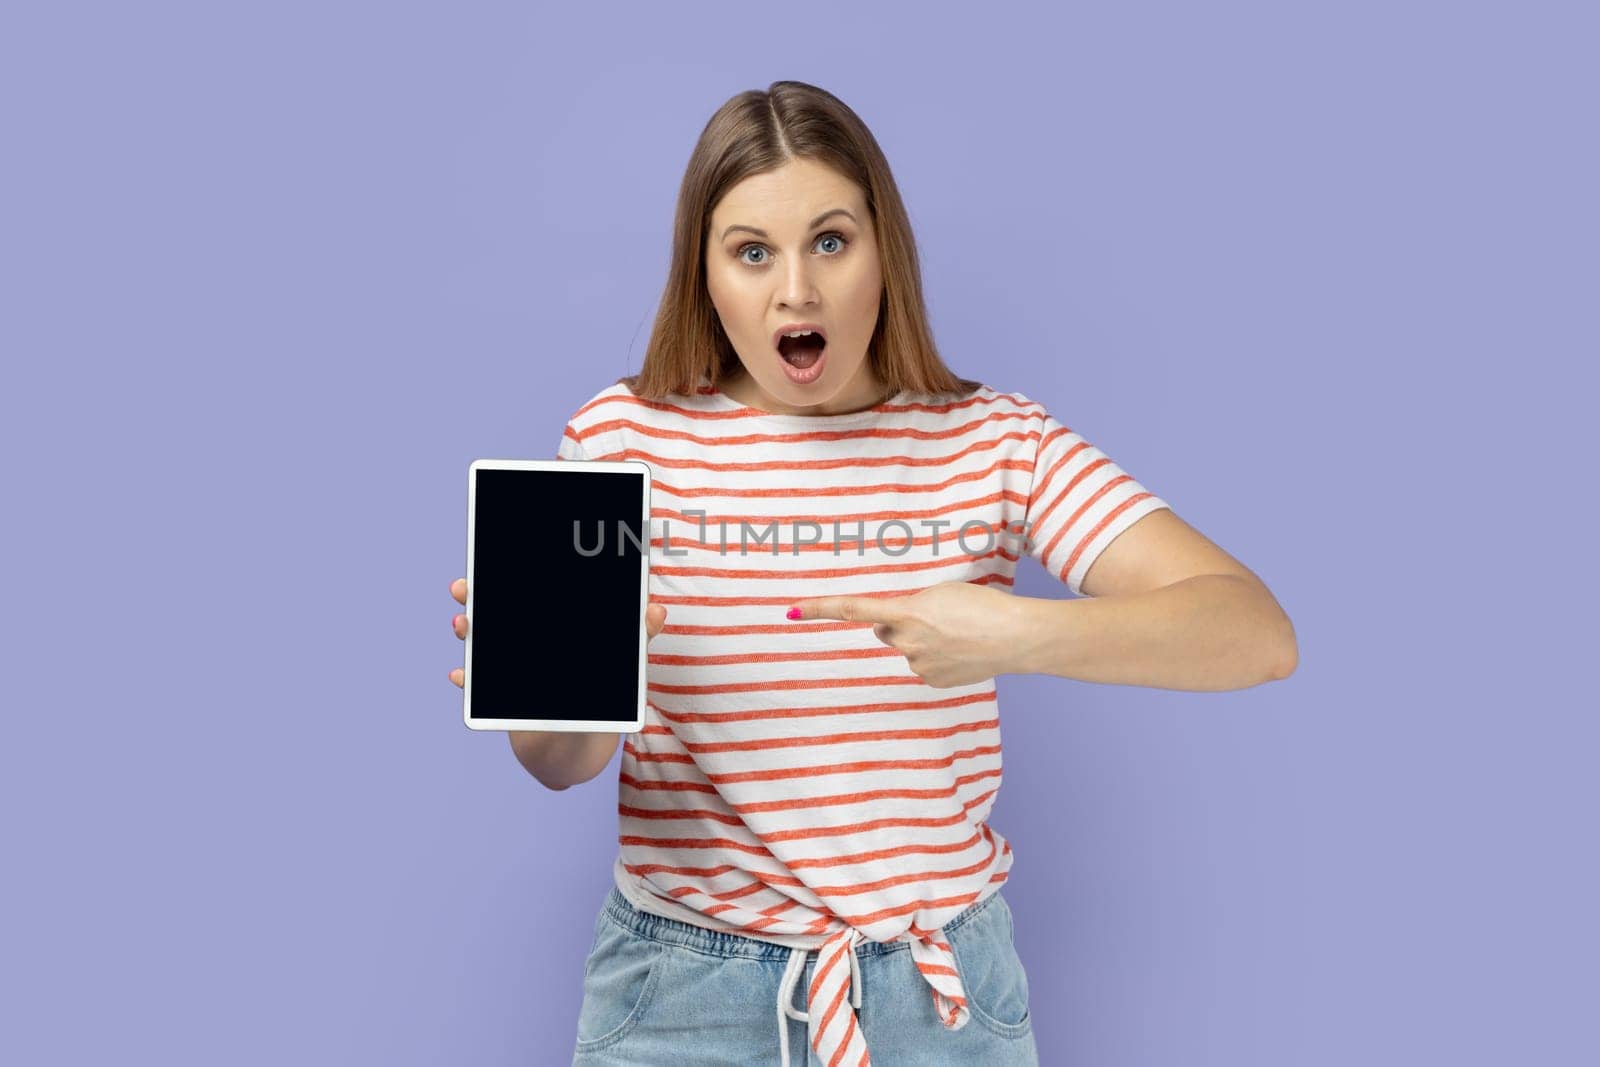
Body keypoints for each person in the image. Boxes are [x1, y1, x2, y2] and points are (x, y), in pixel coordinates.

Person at [447, 80, 1296, 1066]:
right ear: (705, 273)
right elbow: (558, 765)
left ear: (882, 251)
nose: (794, 292)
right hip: (679, 1000)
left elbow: (1253, 631)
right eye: (751, 251)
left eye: (830, 241)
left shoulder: (993, 443)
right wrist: (560, 691)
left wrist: (1011, 633)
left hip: (934, 1005)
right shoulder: (623, 437)